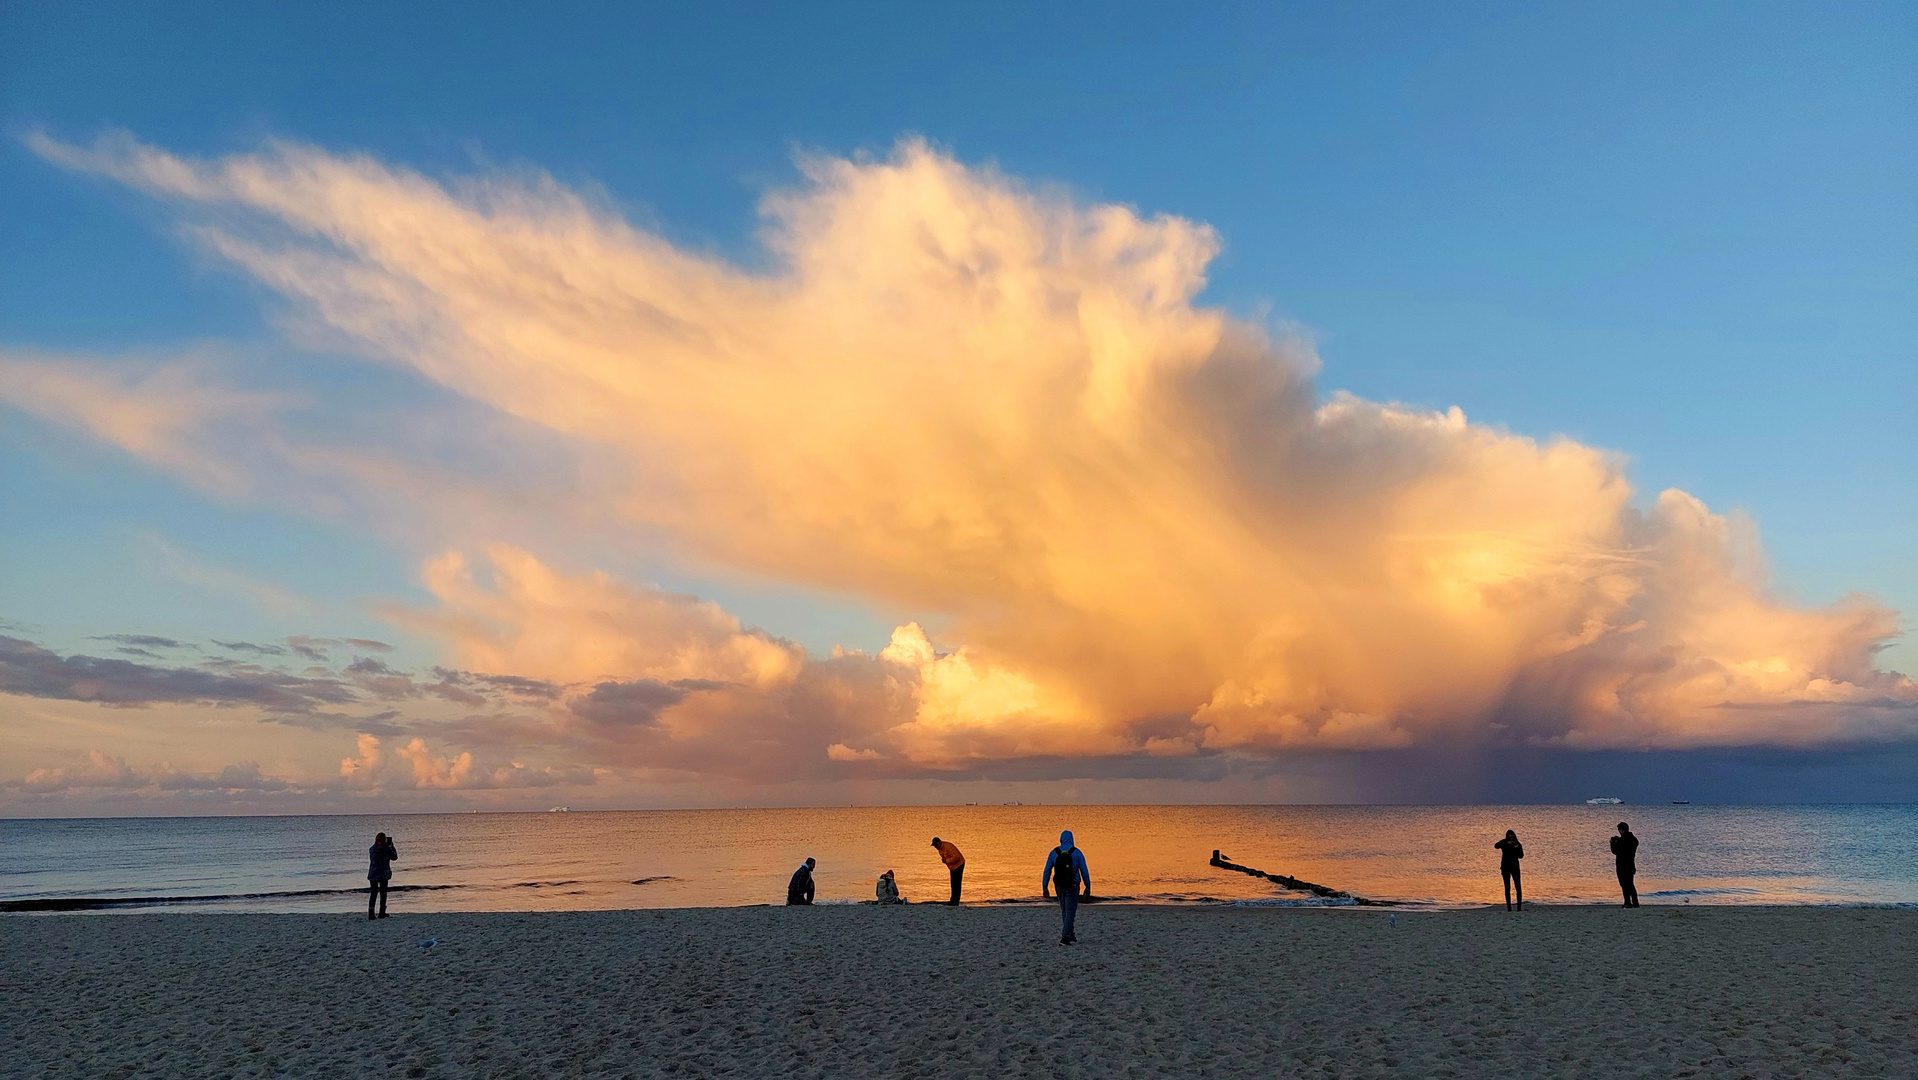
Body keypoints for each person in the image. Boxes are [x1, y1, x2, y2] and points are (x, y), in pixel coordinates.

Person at [1041, 830, 1091, 945]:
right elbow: (1084, 871)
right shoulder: (1077, 852)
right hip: (1073, 885)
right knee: (1070, 912)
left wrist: (1045, 887)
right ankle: (1065, 936)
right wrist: (1087, 887)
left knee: (1065, 910)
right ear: (1072, 839)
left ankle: (1070, 934)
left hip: (1059, 886)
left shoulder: (1054, 852)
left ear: (1061, 839)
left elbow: (1047, 871)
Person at [367, 831, 398, 920]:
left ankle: (371, 913)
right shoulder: (386, 849)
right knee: (383, 893)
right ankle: (382, 912)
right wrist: (392, 846)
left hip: (373, 873)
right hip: (383, 873)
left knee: (373, 893)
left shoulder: (372, 849)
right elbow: (395, 857)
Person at [1610, 822, 1639, 907]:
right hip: (1630, 864)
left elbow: (1615, 851)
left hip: (1622, 865)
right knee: (1630, 884)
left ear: (1621, 830)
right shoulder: (1634, 840)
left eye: (1619, 830)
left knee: (1624, 885)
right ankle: (1635, 903)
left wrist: (1613, 842)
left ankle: (1628, 902)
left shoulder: (1622, 841)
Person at [1493, 829, 1524, 911]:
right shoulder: (1504, 843)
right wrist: (1506, 843)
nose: (1511, 839)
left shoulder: (1517, 844)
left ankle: (1519, 907)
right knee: (1507, 888)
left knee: (1518, 887)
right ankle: (1509, 908)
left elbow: (1521, 856)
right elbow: (1496, 846)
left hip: (1515, 868)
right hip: (1505, 868)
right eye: (1510, 838)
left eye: (1512, 838)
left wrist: (1516, 848)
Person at [931, 836, 966, 905]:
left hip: (959, 865)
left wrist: (946, 861)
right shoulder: (940, 849)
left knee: (957, 884)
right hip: (952, 867)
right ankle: (953, 900)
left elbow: (956, 857)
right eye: (934, 846)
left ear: (939, 843)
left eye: (936, 845)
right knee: (953, 884)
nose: (935, 847)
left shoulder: (948, 847)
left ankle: (956, 901)